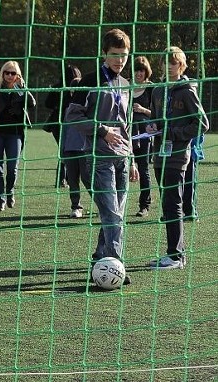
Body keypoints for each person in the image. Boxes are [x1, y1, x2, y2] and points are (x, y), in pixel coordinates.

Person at [66, 28, 138, 282]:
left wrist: (133, 161)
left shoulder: (126, 83)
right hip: (98, 158)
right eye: (115, 55)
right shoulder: (90, 80)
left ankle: (100, 256)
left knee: (114, 214)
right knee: (112, 215)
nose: (120, 60)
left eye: (124, 55)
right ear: (104, 54)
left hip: (123, 158)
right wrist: (102, 130)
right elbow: (72, 116)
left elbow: (127, 125)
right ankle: (116, 264)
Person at [144, 46, 209, 269]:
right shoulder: (157, 91)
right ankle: (172, 253)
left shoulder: (187, 90)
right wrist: (152, 126)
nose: (170, 66)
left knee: (174, 204)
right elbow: (154, 119)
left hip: (179, 155)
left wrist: (175, 134)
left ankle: (177, 256)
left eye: (174, 62)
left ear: (181, 65)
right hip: (160, 155)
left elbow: (202, 124)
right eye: (166, 62)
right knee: (167, 205)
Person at [0, 60, 36, 210]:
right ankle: (0, 199)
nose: (9, 75)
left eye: (13, 73)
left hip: (15, 133)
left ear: (18, 75)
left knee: (12, 167)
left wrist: (22, 88)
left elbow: (31, 103)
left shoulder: (20, 89)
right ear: (2, 74)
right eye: (6, 72)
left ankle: (10, 192)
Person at [43, 64, 82, 188]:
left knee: (64, 151)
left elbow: (47, 104)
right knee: (67, 151)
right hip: (69, 123)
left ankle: (63, 179)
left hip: (58, 123)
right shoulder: (77, 87)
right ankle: (64, 179)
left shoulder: (58, 87)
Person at [59, 73, 91, 218]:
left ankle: (102, 204)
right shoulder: (67, 110)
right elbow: (64, 131)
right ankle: (76, 207)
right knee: (72, 180)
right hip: (69, 149)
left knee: (88, 179)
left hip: (85, 150)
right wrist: (62, 150)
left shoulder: (89, 108)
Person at [131, 56, 155, 217]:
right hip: (125, 132)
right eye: (136, 70)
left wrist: (142, 110)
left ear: (146, 72)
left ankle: (144, 205)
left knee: (143, 168)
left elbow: (159, 114)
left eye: (142, 70)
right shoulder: (126, 85)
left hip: (144, 134)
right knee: (121, 167)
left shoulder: (153, 88)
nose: (139, 73)